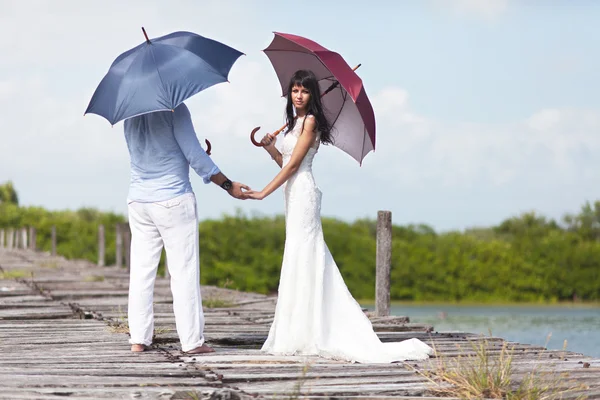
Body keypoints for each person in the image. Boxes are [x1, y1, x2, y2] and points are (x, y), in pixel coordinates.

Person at [246, 70, 433, 363]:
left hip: (303, 191)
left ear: (312, 96)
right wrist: (270, 146)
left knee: (305, 252)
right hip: (292, 193)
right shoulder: (294, 123)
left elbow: (294, 167)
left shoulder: (310, 122)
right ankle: (296, 330)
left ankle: (309, 331)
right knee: (296, 253)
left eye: (304, 92)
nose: (298, 96)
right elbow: (284, 161)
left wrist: (262, 193)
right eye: (295, 91)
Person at [124, 102, 249, 354]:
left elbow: (150, 152)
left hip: (139, 200)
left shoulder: (129, 110)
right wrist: (227, 185)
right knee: (183, 272)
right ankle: (192, 341)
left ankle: (138, 338)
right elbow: (194, 156)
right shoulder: (175, 108)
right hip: (172, 199)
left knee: (141, 272)